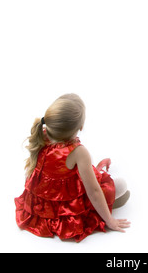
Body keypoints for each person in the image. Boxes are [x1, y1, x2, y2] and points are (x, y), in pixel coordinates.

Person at [14, 93, 131, 242]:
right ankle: (105, 204)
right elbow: (94, 191)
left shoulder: (42, 137)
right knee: (121, 184)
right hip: (68, 209)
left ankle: (98, 170)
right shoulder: (78, 152)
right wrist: (109, 221)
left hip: (43, 208)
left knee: (89, 170)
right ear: (81, 126)